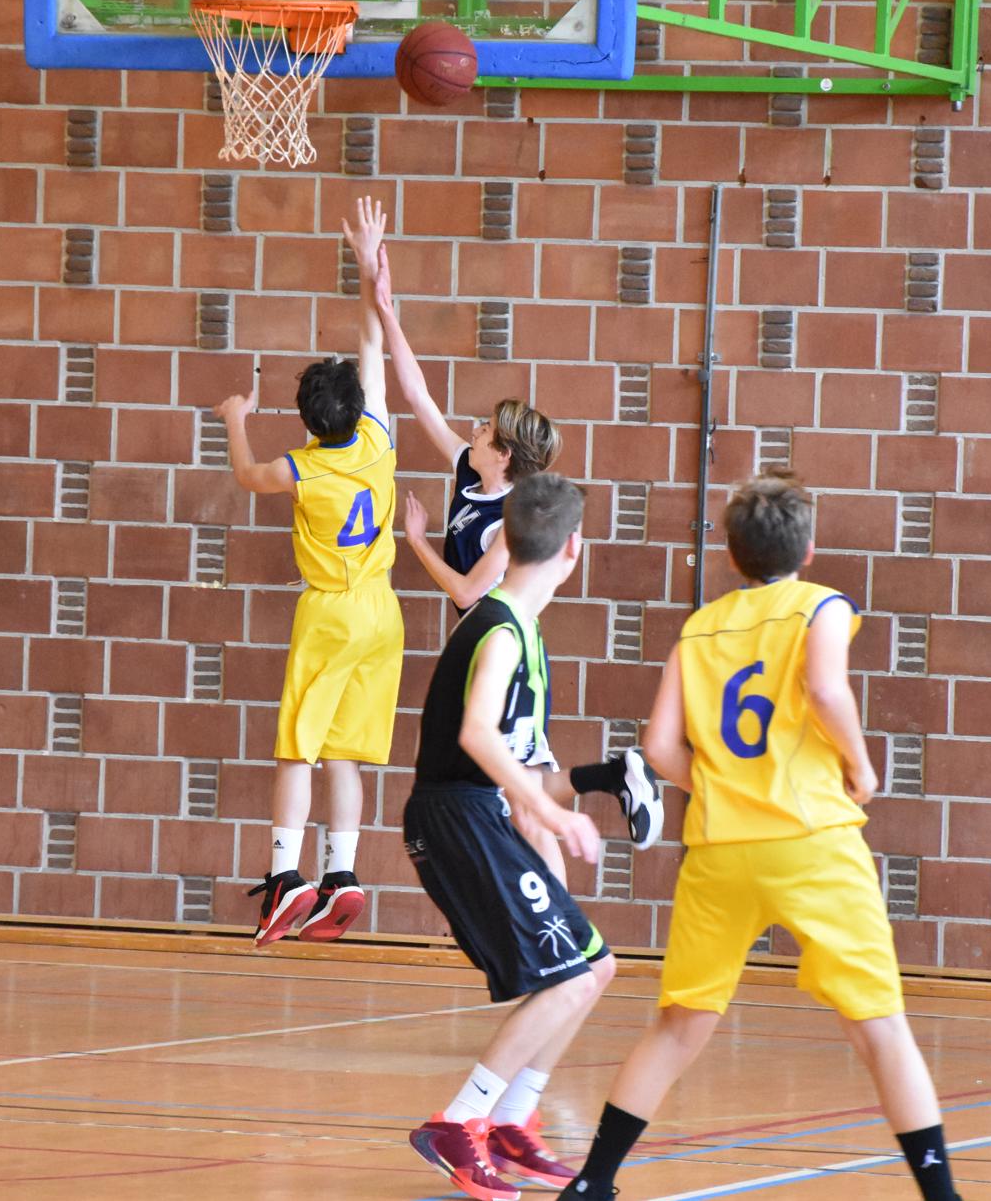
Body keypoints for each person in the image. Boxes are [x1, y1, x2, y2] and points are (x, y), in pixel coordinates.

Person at [565, 470, 964, 1201]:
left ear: (730, 554)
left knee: (677, 1026)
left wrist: (717, 784)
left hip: (720, 848)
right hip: (812, 838)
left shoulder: (698, 628)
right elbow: (825, 689)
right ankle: (942, 1196)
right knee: (880, 1026)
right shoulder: (821, 606)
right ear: (808, 549)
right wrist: (861, 765)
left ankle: (592, 1181)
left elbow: (657, 747)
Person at [367, 244, 663, 853]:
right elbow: (417, 395)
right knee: (524, 801)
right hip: (487, 647)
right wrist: (387, 310)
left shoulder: (513, 516)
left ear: (502, 454)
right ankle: (613, 778)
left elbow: (468, 590)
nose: (472, 429)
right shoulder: (467, 470)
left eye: (484, 429)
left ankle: (613, 780)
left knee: (522, 801)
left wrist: (416, 542)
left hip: (505, 648)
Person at [404, 473, 616, 1201]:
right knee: (567, 978)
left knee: (594, 967)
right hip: (455, 816)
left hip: (479, 813)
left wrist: (586, 788)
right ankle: (457, 1122)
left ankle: (509, 1120)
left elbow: (522, 764)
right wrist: (554, 817)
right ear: (574, 547)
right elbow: (477, 735)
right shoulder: (496, 628)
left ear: (507, 539)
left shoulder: (524, 628)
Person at [214, 197, 401, 947]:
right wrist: (367, 264)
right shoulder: (379, 435)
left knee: (298, 746)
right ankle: (342, 874)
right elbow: (372, 337)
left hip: (330, 612)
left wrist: (235, 417)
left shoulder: (299, 469)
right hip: (383, 612)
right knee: (346, 753)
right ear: (357, 407)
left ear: (308, 420)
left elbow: (246, 475)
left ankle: (286, 877)